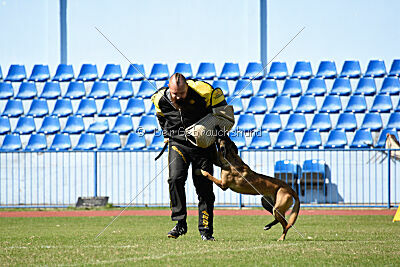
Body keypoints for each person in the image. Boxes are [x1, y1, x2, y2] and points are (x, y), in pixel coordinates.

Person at [151, 73, 228, 241]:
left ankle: (206, 230)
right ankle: (180, 223)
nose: (178, 97)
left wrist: (221, 140)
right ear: (169, 89)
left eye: (182, 93)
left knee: (204, 188)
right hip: (178, 144)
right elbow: (161, 117)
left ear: (188, 87)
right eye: (174, 93)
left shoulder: (204, 92)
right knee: (175, 179)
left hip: (203, 146)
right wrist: (166, 133)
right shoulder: (160, 98)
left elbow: (221, 117)